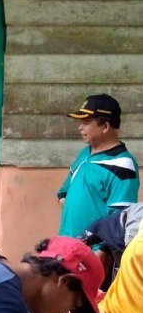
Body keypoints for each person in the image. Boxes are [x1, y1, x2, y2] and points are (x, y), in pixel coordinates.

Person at [58, 94, 139, 238]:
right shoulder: (84, 153)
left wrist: (101, 251)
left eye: (86, 122)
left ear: (105, 126)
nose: (80, 128)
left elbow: (119, 221)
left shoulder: (123, 165)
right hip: (67, 244)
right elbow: (65, 190)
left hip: (93, 253)